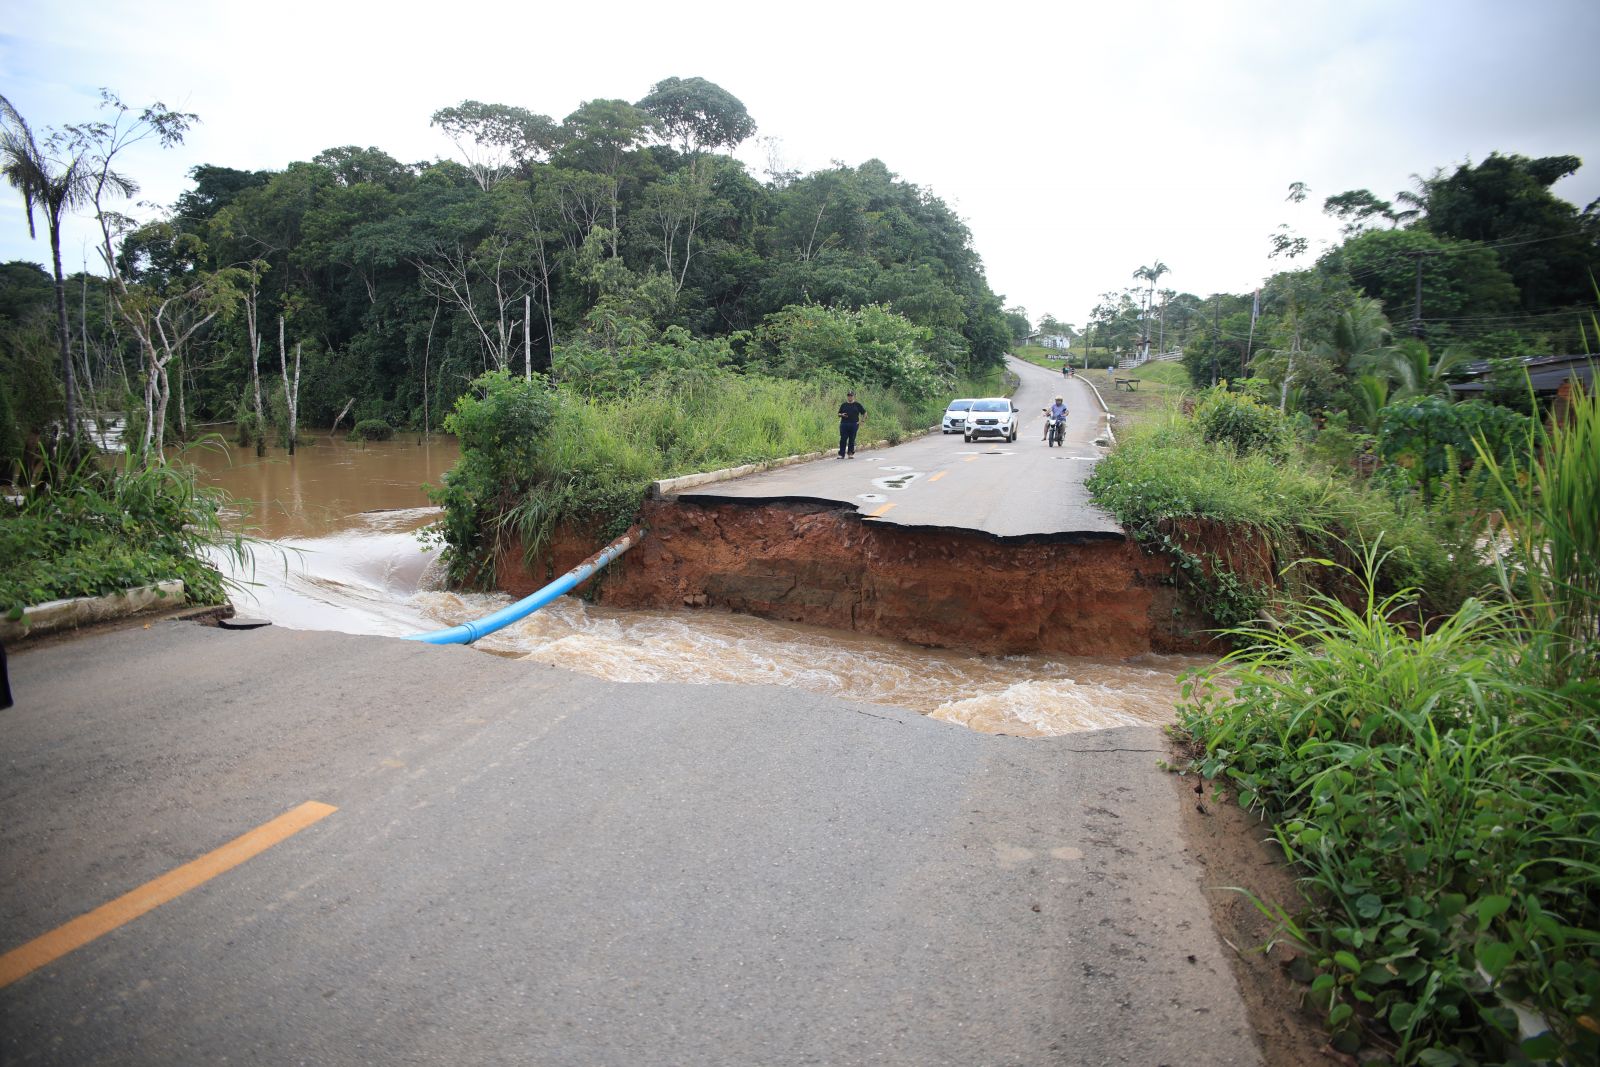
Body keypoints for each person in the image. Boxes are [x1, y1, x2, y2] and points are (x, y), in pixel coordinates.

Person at [837, 390, 866, 458]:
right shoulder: (843, 405)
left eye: (851, 395)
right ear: (847, 396)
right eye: (848, 395)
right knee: (843, 439)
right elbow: (838, 413)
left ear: (853, 396)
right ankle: (841, 454)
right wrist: (842, 414)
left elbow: (864, 413)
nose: (850, 397)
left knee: (852, 439)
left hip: (854, 424)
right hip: (844, 424)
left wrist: (862, 421)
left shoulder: (857, 404)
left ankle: (850, 453)